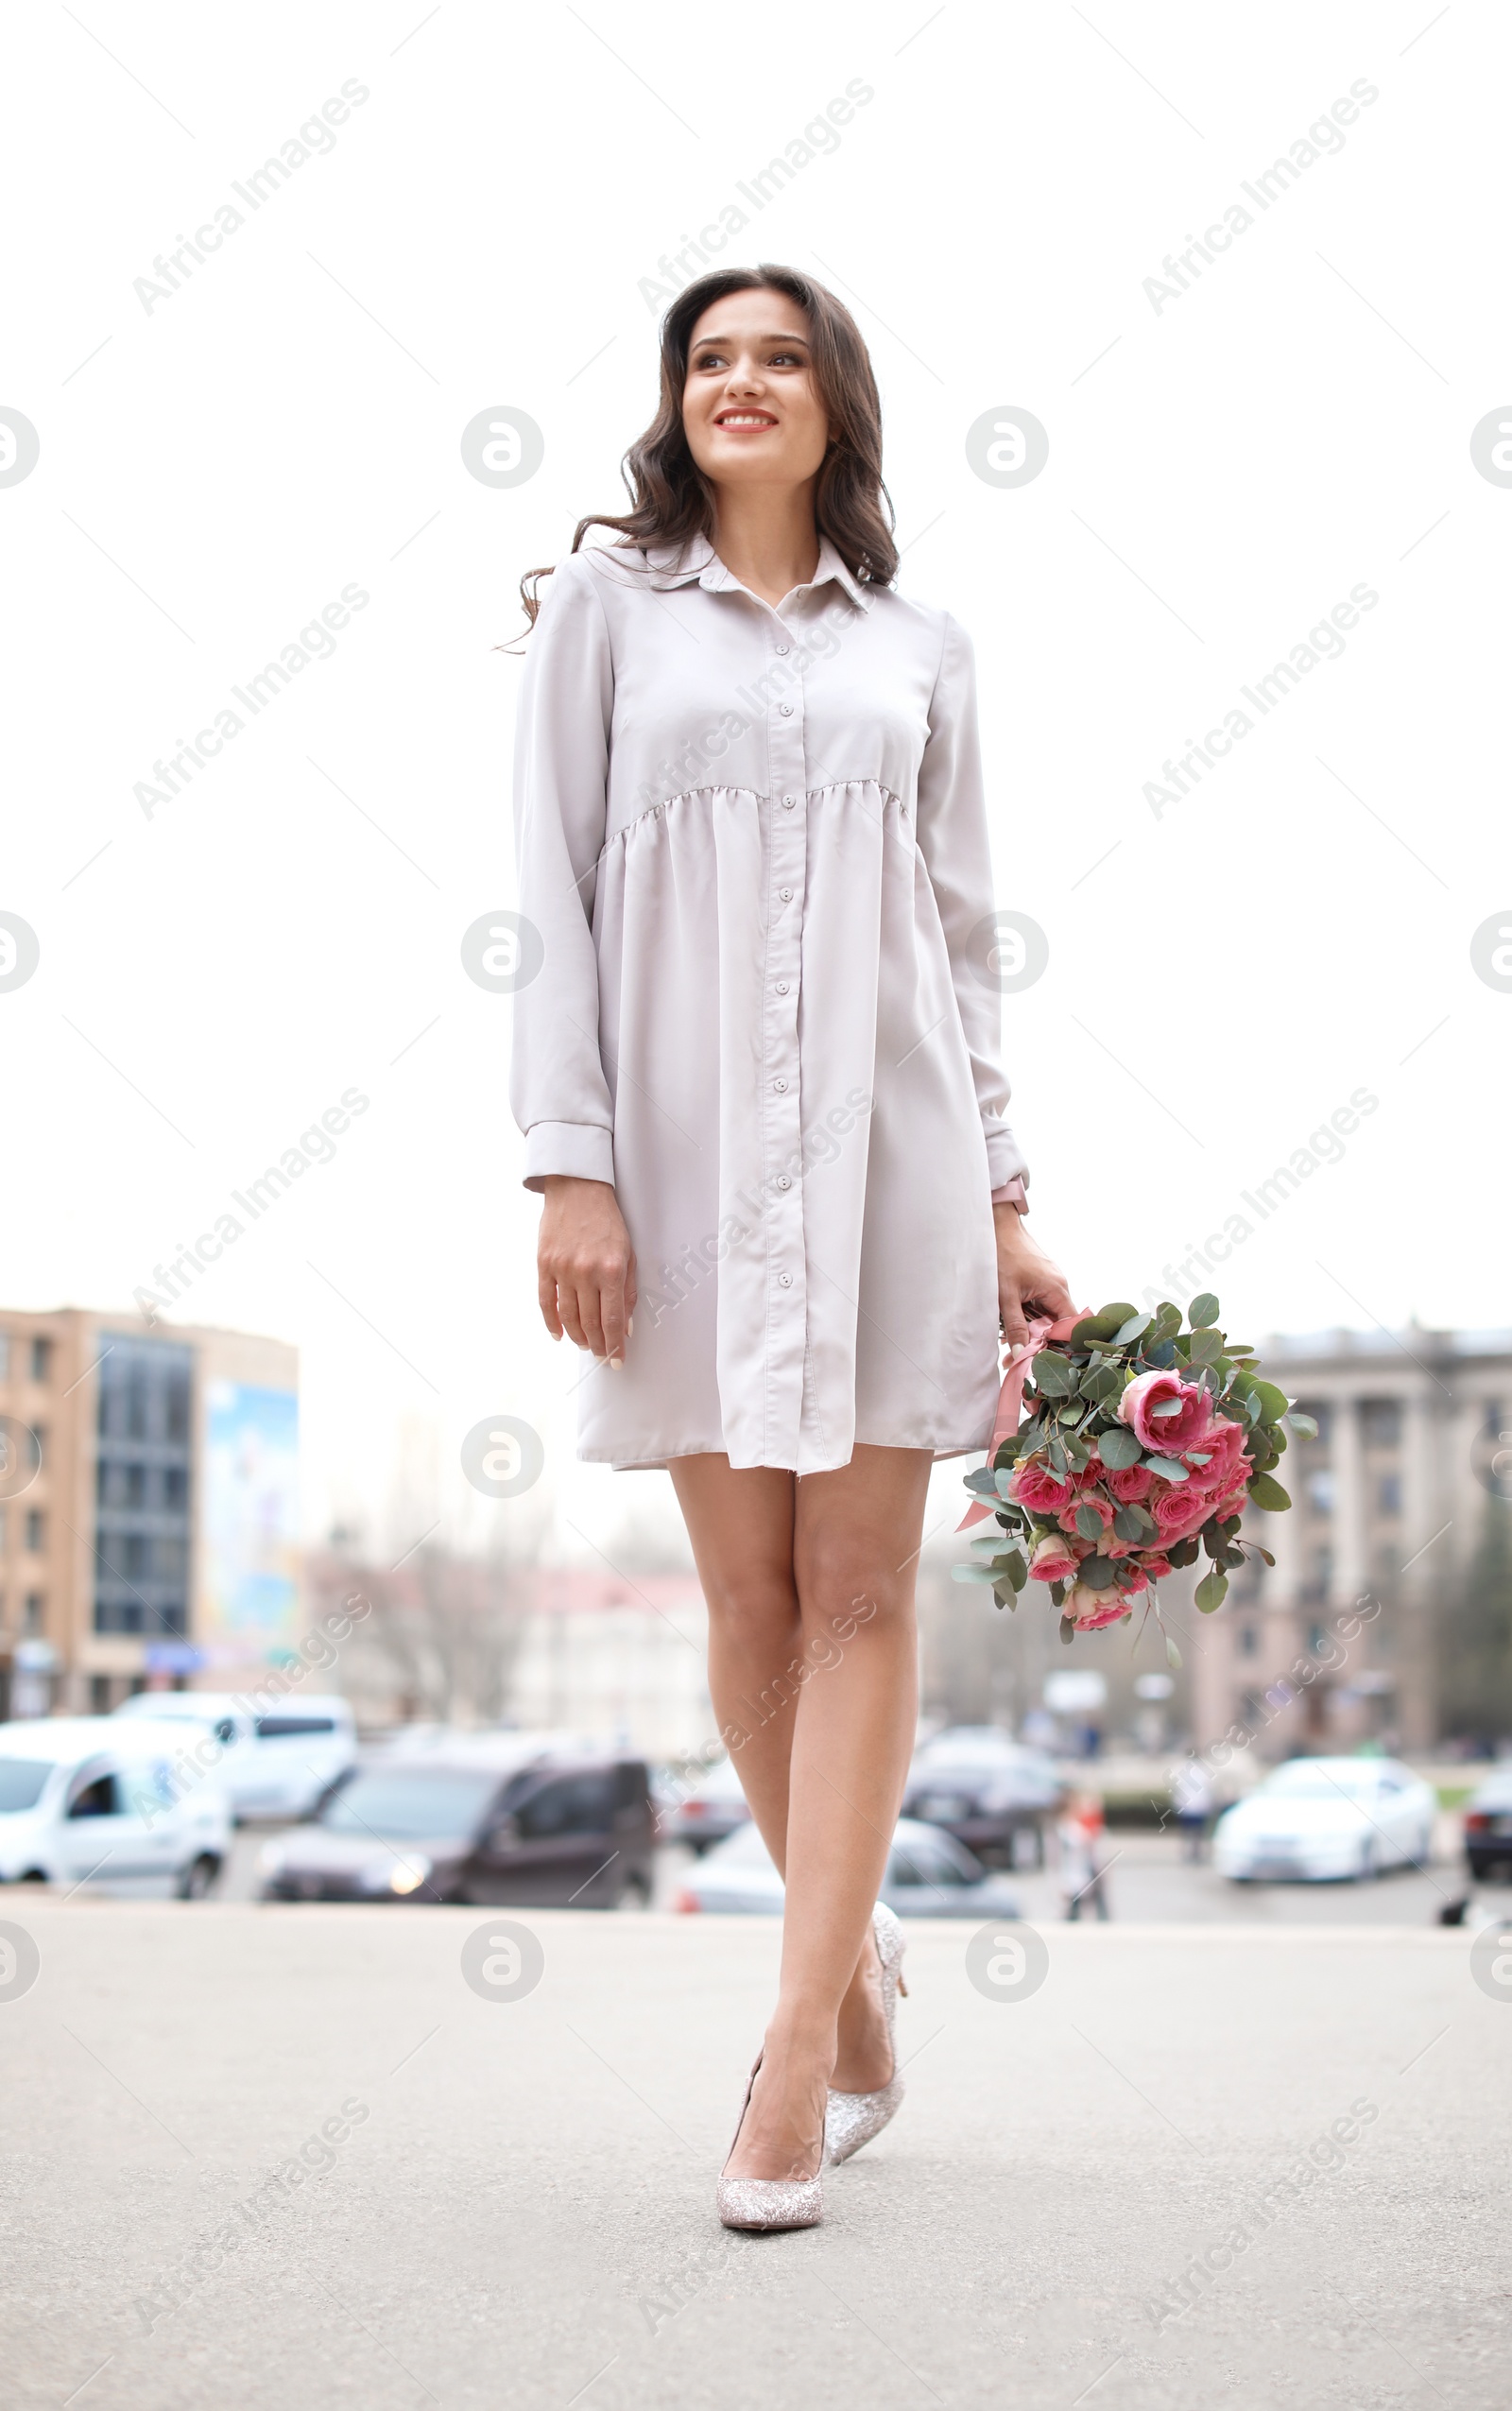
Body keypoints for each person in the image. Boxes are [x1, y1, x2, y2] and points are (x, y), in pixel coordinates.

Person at [509, 266, 1074, 2231]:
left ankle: (783, 2055)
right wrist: (567, 1167)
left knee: (855, 1588)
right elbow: (552, 900)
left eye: (776, 356)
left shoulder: (923, 643)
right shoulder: (599, 618)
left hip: (890, 1157)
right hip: (667, 1164)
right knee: (744, 1603)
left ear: (834, 402)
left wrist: (1003, 1195)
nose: (737, 381)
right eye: (704, 357)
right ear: (677, 403)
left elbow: (965, 939)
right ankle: (859, 1977)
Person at [1057, 1790, 1110, 1920]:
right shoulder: (1068, 1828)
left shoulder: (1075, 1826)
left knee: (1088, 1901)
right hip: (1076, 1872)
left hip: (1085, 1870)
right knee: (1075, 1903)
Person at [1170, 1751, 1214, 1861]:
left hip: (1188, 1804)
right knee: (1197, 1831)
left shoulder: (1181, 1767)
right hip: (1198, 1804)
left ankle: (1189, 1852)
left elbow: (1175, 1785)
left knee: (1187, 1831)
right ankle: (1194, 1852)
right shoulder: (1203, 1768)